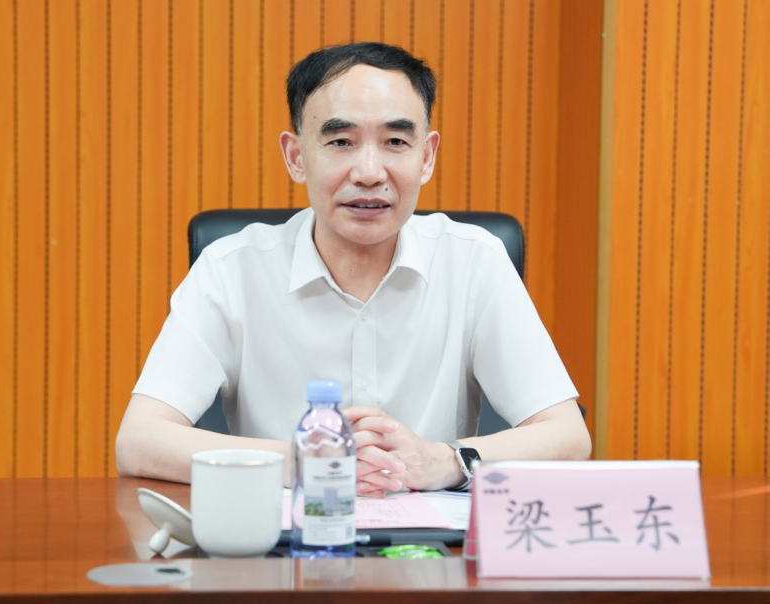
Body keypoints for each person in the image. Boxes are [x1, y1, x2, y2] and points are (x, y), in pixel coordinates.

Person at [115, 42, 591, 496]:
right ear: (296, 157)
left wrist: (442, 460)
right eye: (341, 141)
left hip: (432, 544)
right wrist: (304, 462)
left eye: (395, 141)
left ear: (426, 157)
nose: (369, 172)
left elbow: (568, 436)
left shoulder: (474, 261)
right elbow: (139, 441)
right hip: (285, 540)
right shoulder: (231, 269)